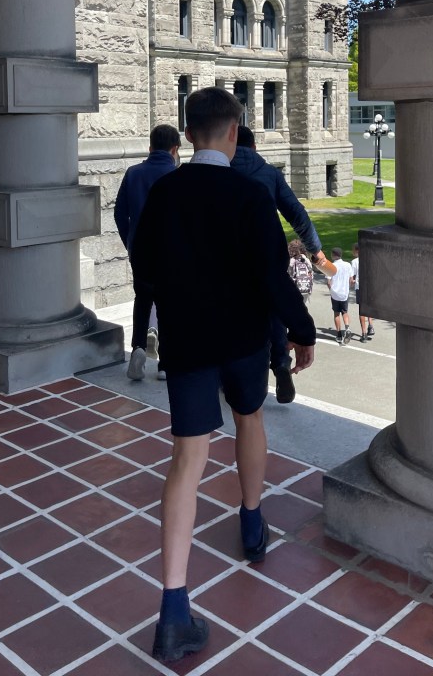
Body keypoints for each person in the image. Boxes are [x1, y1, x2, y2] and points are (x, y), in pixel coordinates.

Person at [131, 87, 316, 664]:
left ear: (189, 135)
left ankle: (173, 607)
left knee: (187, 458)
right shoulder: (250, 194)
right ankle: (253, 523)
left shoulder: (165, 193)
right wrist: (301, 329)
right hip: (241, 340)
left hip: (187, 340)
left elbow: (144, 265)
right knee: (249, 419)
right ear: (235, 132)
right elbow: (273, 275)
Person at [231, 125, 335, 403]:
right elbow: (298, 215)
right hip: (266, 257)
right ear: (254, 147)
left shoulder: (219, 171)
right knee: (274, 307)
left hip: (230, 263)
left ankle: (235, 377)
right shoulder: (268, 173)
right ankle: (280, 364)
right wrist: (315, 250)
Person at [114, 123, 181, 381]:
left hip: (140, 249)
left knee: (142, 300)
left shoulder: (133, 173)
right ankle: (165, 363)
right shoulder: (177, 175)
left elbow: (120, 213)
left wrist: (130, 241)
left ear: (150, 147)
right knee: (169, 303)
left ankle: (138, 349)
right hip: (170, 250)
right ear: (174, 149)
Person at [327, 247, 354, 344]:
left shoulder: (331, 266)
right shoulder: (348, 265)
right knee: (345, 312)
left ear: (333, 255)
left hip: (335, 293)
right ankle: (347, 328)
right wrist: (348, 287)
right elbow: (351, 280)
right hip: (344, 293)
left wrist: (331, 290)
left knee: (336, 313)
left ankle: (338, 335)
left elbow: (329, 282)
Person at [351, 243, 375, 343]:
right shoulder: (369, 259)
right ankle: (371, 325)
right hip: (369, 286)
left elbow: (352, 276)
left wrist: (352, 282)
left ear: (357, 251)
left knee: (362, 310)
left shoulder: (355, 262)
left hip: (360, 287)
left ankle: (364, 333)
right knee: (368, 307)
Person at [288, 240, 314, 307]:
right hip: (306, 288)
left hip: (295, 289)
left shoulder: (292, 261)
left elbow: (289, 274)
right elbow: (311, 272)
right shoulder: (306, 260)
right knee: (303, 307)